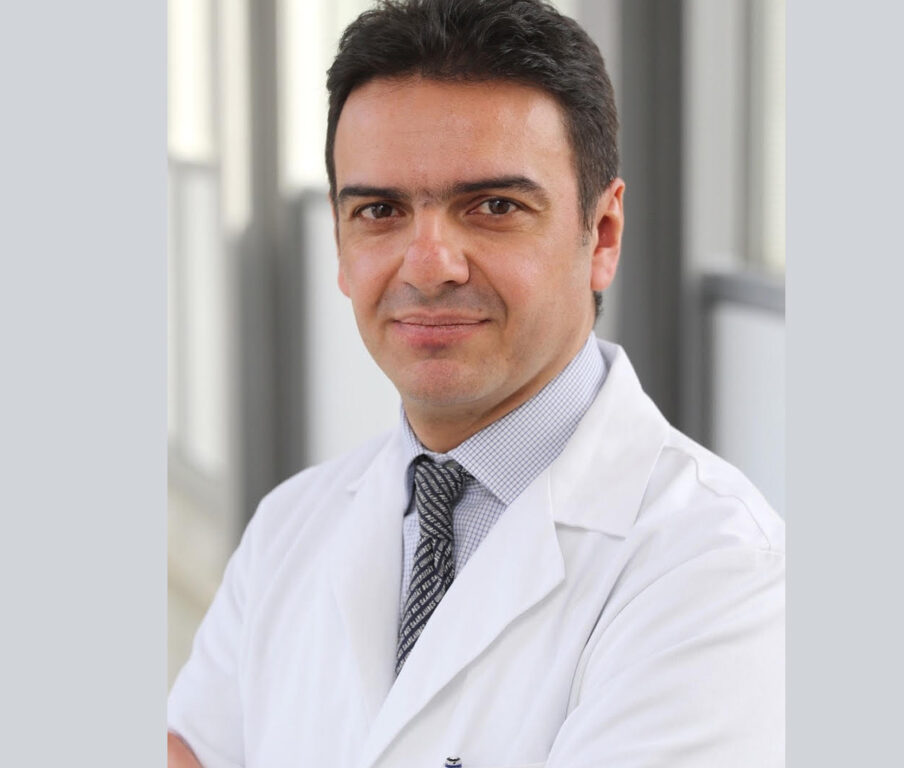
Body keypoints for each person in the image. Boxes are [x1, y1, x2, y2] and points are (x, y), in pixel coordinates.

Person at [167, 1, 785, 766]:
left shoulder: (715, 568)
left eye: (494, 207)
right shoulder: (289, 525)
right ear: (340, 241)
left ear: (602, 236)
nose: (429, 266)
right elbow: (193, 747)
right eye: (380, 210)